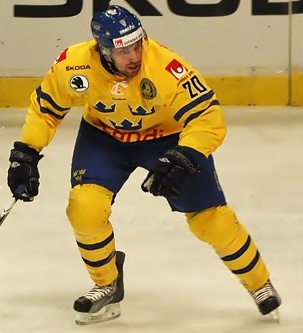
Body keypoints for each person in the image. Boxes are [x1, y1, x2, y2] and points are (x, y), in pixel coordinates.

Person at [7, 4, 281, 326]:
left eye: (138, 45)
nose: (134, 56)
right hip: (104, 140)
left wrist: (187, 155)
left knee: (211, 220)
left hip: (167, 140)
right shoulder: (73, 65)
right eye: (124, 51)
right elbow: (45, 109)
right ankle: (106, 283)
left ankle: (259, 283)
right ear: (103, 50)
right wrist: (26, 152)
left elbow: (207, 117)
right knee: (85, 208)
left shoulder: (166, 68)